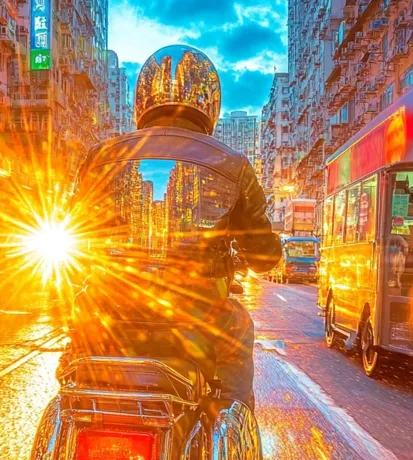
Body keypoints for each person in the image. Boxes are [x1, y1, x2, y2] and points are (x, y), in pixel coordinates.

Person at [72, 45, 281, 411]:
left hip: (106, 312)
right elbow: (263, 258)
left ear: (143, 98)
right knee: (239, 331)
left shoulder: (100, 156)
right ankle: (231, 437)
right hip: (199, 320)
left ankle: (76, 388)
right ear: (210, 102)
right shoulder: (232, 163)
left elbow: (74, 231)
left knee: (76, 347)